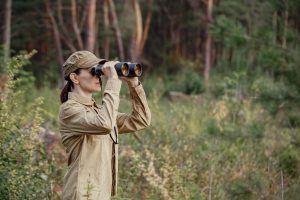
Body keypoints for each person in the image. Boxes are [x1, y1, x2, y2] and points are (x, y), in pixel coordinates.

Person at [58, 50, 151, 199]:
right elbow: (105, 124)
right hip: (82, 194)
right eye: (93, 71)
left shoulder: (98, 111)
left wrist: (134, 85)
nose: (98, 76)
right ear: (75, 77)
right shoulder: (69, 110)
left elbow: (140, 120)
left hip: (101, 194)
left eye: (99, 71)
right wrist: (113, 81)